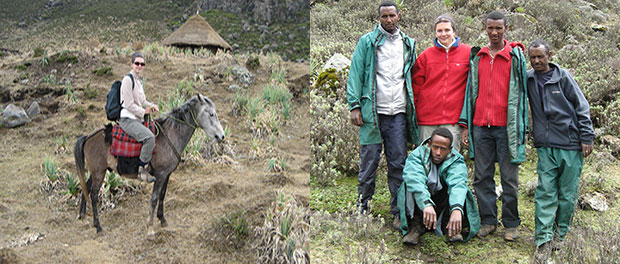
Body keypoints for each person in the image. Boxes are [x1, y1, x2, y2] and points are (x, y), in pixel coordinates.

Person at [346, 1, 417, 229]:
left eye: (392, 16)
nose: (388, 20)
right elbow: (355, 73)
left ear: (399, 16)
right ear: (379, 18)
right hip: (372, 114)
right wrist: (354, 105)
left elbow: (413, 77)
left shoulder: (408, 43)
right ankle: (362, 207)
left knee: (398, 163)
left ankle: (397, 211)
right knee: (369, 163)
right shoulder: (367, 42)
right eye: (384, 16)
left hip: (398, 114)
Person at [458, 11, 529, 241]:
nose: (494, 32)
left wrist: (523, 127)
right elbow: (470, 92)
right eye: (490, 28)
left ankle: (511, 223)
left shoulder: (515, 56)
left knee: (509, 179)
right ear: (485, 28)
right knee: (482, 176)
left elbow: (523, 95)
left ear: (506, 28)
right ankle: (488, 221)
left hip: (506, 128)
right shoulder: (478, 56)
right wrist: (466, 125)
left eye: (499, 28)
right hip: (480, 126)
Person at [526, 40, 594, 262]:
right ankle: (543, 239)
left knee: (567, 193)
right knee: (545, 191)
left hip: (571, 143)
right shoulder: (528, 78)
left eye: (540, 57)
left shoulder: (563, 77)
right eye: (532, 57)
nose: (536, 61)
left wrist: (586, 136)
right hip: (545, 145)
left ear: (549, 55)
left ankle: (560, 235)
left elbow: (582, 106)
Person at [396, 128, 480, 244]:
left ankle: (450, 226)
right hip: (422, 202)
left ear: (450, 150)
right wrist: (426, 203)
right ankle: (415, 226)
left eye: (443, 149)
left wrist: (456, 209)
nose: (438, 153)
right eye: (435, 147)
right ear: (429, 144)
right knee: (409, 185)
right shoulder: (417, 155)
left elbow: (458, 183)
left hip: (441, 200)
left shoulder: (456, 160)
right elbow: (415, 179)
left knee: (462, 191)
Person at [412, 14, 471, 150]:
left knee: (450, 162)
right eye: (439, 31)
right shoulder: (425, 56)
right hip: (426, 120)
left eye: (447, 30)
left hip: (453, 121)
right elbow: (416, 87)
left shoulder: (467, 53)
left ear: (454, 31)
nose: (443, 34)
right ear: (435, 33)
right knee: (425, 160)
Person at [119, 51, 159, 183]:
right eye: (137, 63)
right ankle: (141, 170)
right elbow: (129, 105)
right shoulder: (127, 80)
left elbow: (142, 100)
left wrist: (151, 105)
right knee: (149, 138)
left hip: (137, 118)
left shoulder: (139, 81)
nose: (139, 66)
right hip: (128, 119)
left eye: (142, 64)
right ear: (131, 64)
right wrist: (144, 112)